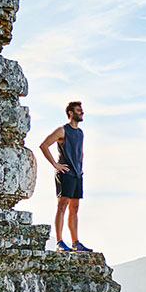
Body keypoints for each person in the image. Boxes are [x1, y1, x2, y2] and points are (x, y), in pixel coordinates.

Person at [39, 101, 93, 253]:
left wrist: (81, 168)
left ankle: (76, 242)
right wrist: (56, 165)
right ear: (70, 113)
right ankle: (59, 242)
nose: (81, 113)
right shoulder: (62, 130)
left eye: (81, 110)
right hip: (65, 173)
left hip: (76, 174)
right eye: (78, 110)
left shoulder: (80, 132)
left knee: (74, 208)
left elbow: (80, 152)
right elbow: (44, 145)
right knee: (62, 206)